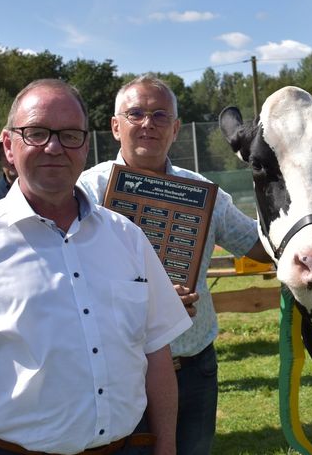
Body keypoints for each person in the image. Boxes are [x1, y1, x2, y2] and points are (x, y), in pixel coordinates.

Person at [0, 79, 192, 455]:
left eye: (69, 135)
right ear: (8, 145)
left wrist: (166, 446)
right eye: (36, 133)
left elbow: (157, 353)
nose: (54, 147)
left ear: (86, 144)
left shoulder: (126, 237)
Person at [78, 74, 271, 455]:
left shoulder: (202, 192)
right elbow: (68, 275)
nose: (148, 123)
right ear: (116, 126)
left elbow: (257, 245)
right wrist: (148, 302)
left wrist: (303, 214)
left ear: (176, 128)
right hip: (117, 371)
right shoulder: (87, 191)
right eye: (136, 114)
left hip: (193, 368)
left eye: (160, 115)